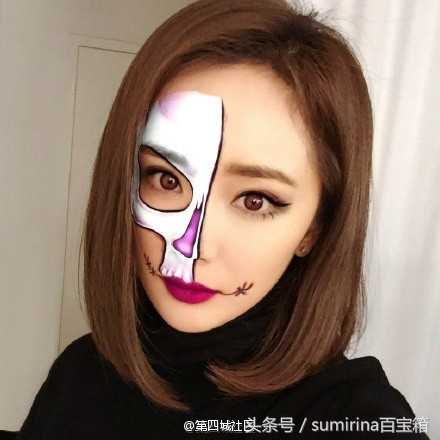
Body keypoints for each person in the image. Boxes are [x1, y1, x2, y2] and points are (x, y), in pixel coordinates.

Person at [6, 0, 430, 438]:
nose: (192, 246)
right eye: (167, 180)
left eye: (254, 200)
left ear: (314, 228)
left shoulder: (357, 418)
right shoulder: (79, 375)